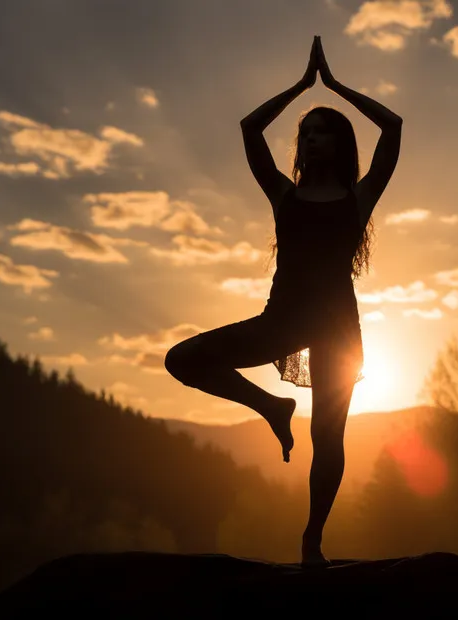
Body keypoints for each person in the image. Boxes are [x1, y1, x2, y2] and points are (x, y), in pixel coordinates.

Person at [164, 36, 402, 566]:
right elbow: (250, 129)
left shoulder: (359, 198)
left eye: (322, 132)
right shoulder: (283, 195)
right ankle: (270, 405)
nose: (312, 139)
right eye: (307, 133)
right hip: (284, 320)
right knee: (182, 360)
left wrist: (336, 86)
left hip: (339, 330)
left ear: (340, 144)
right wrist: (301, 86)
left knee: (328, 438)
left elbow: (394, 128)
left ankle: (312, 539)